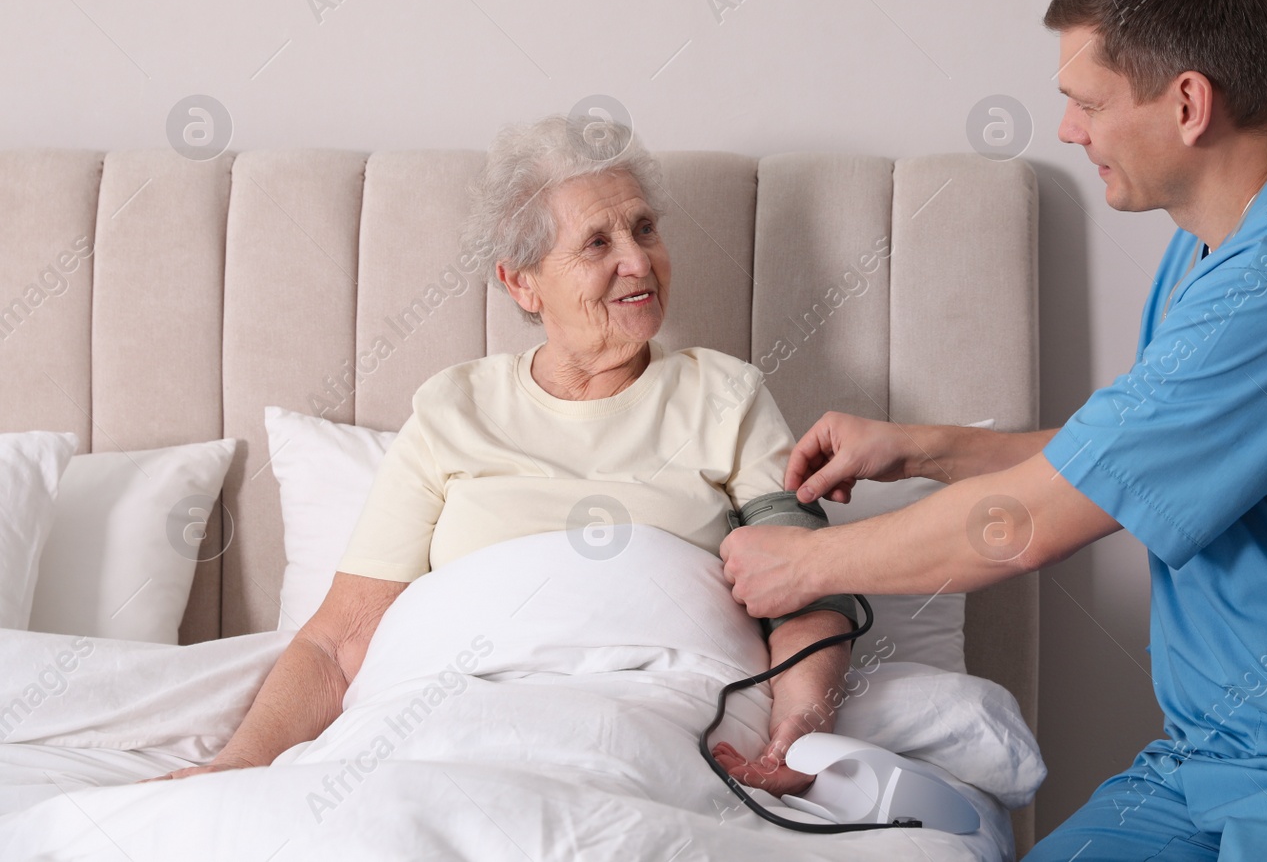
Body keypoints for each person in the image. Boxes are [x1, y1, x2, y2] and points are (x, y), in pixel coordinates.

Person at [719, 0, 1267, 861]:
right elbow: (1126, 454)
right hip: (1216, 761)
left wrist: (807, 567)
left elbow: (1030, 520)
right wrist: (921, 448)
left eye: (1087, 102)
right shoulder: (1218, 240)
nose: (1070, 129)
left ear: (1188, 102)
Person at [143, 116, 851, 796]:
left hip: (652, 714)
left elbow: (809, 596)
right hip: (450, 714)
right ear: (522, 282)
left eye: (644, 228)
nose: (638, 261)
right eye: (597, 242)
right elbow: (336, 644)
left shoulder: (727, 397)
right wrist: (237, 764)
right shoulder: (453, 410)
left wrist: (802, 722)